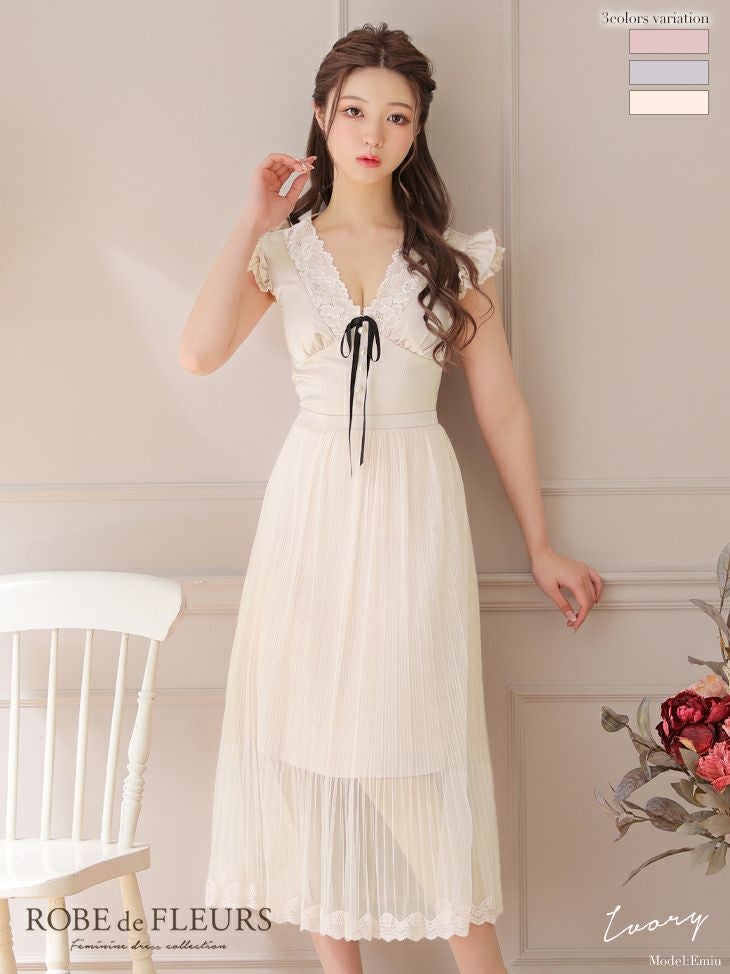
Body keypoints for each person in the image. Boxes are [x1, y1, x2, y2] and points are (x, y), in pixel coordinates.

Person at [180, 21, 602, 974]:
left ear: (418, 131)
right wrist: (251, 218)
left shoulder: (452, 261)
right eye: (355, 111)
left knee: (412, 758)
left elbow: (502, 408)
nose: (374, 133)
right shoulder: (284, 254)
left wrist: (541, 545)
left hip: (414, 518)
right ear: (323, 117)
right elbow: (199, 353)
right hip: (308, 518)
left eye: (398, 116)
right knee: (309, 756)